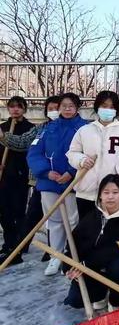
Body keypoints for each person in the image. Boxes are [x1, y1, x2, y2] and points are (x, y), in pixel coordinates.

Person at [64, 174, 119, 312]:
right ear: (100, 196)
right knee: (75, 300)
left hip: (118, 269)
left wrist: (86, 264)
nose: (110, 197)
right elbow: (74, 241)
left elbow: (118, 251)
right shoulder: (93, 216)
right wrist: (69, 265)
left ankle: (115, 300)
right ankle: (100, 296)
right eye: (106, 192)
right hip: (93, 269)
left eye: (115, 192)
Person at [28, 93, 88, 276]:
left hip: (73, 182)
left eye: (71, 105)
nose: (67, 109)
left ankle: (73, 256)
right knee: (53, 221)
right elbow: (34, 152)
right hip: (50, 182)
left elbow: (89, 154)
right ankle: (56, 256)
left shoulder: (85, 128)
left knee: (73, 221)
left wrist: (71, 173)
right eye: (64, 106)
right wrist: (46, 172)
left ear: (77, 108)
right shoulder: (48, 129)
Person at [0, 96, 61, 259]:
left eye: (57, 108)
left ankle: (55, 251)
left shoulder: (74, 129)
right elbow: (24, 144)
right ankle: (17, 248)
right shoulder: (40, 129)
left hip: (59, 180)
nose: (54, 112)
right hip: (38, 179)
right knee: (31, 214)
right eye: (51, 109)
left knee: (57, 218)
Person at [67, 90, 119, 220]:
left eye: (112, 107)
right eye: (104, 106)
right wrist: (81, 160)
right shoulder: (85, 130)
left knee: (109, 233)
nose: (108, 110)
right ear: (97, 107)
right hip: (86, 193)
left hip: (112, 195)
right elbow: (72, 153)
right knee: (87, 233)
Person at [0, 96, 35, 265]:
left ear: (24, 109)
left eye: (19, 107)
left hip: (21, 176)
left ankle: (18, 247)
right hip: (4, 176)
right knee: (4, 212)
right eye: (12, 107)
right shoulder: (2, 128)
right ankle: (8, 243)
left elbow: (28, 150)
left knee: (19, 211)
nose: (15, 110)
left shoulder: (30, 129)